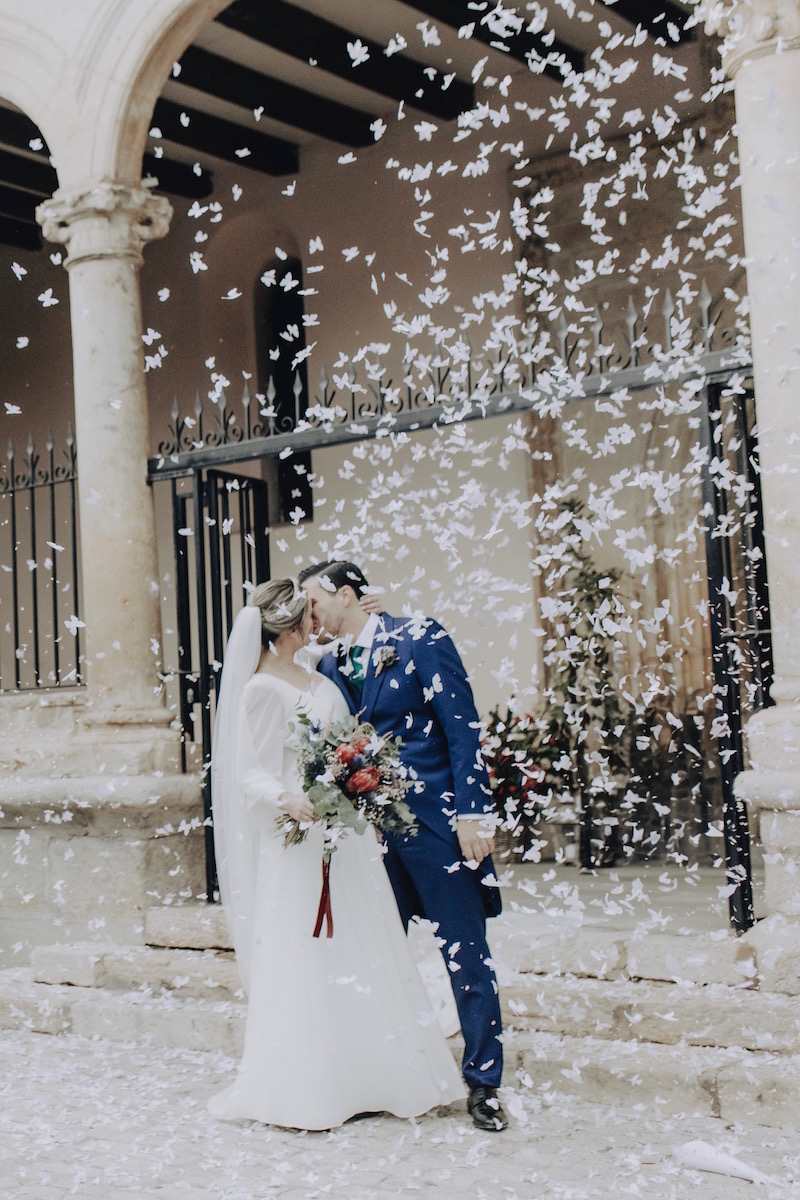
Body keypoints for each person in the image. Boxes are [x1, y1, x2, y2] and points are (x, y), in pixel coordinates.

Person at [208, 578, 464, 1131]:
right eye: (307, 618)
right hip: (300, 841)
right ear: (287, 630)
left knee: (359, 949)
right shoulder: (259, 689)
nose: (315, 624)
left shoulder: (314, 670)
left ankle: (374, 1073)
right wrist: (286, 797)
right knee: (309, 953)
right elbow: (244, 766)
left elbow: (349, 657)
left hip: (345, 841)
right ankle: (313, 1084)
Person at [298, 561, 508, 1132]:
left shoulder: (419, 637)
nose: (309, 613)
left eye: (315, 600)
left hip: (437, 827)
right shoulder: (329, 663)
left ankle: (484, 1082)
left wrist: (473, 813)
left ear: (347, 594)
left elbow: (462, 728)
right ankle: (379, 1073)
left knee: (464, 953)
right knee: (374, 956)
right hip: (370, 839)